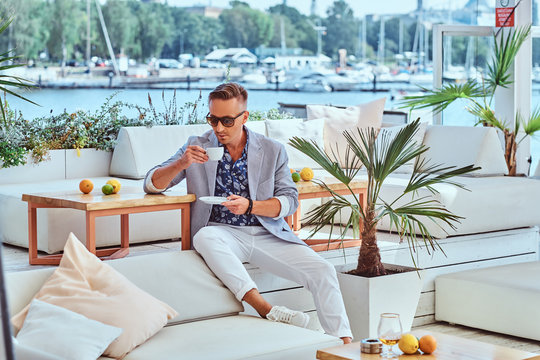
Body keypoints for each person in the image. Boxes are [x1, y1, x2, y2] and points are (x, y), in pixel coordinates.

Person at [143, 82, 352, 343]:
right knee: (205, 237)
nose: (219, 128)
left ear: (245, 117)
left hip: (267, 232)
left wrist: (250, 205)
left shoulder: (273, 150)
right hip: (222, 233)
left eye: (227, 121)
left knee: (323, 271)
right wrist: (181, 163)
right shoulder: (196, 145)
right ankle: (266, 309)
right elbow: (152, 183)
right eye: (213, 119)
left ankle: (342, 344)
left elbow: (289, 201)